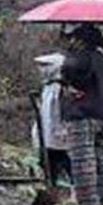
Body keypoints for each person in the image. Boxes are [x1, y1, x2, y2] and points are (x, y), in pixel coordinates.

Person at [60, 23, 103, 205]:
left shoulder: (80, 57)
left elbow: (70, 69)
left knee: (84, 162)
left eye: (73, 38)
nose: (70, 42)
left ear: (81, 40)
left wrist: (66, 80)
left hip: (85, 114)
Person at [32, 53, 73, 187]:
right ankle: (52, 189)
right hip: (48, 135)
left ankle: (76, 190)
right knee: (49, 164)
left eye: (45, 66)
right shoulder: (48, 87)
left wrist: (61, 130)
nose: (41, 69)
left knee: (63, 161)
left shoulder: (60, 88)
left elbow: (60, 111)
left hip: (57, 135)